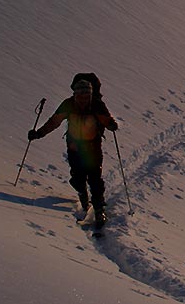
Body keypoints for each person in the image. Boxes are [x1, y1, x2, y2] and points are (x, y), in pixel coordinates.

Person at [28, 79, 118, 226]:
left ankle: (99, 209)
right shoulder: (68, 104)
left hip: (92, 148)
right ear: (75, 94)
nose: (83, 98)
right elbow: (54, 122)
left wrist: (111, 125)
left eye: (86, 94)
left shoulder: (96, 105)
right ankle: (83, 195)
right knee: (77, 177)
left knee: (95, 178)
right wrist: (38, 133)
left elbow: (106, 119)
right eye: (81, 94)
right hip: (75, 147)